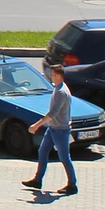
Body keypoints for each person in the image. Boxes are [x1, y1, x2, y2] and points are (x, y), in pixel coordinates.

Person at [23, 62, 77, 195]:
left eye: (53, 75)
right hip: (53, 129)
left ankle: (72, 185)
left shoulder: (61, 92)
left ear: (59, 76)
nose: (50, 76)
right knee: (43, 151)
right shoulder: (57, 88)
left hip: (60, 130)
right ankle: (38, 180)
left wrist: (36, 125)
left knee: (64, 157)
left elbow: (53, 113)